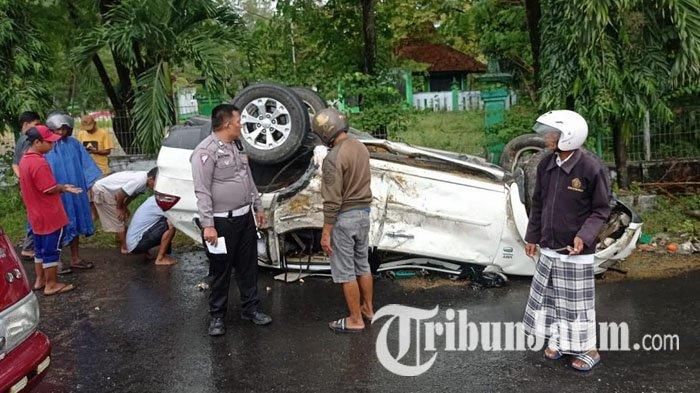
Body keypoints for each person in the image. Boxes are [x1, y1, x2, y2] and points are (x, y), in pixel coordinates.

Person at [522, 110, 611, 372]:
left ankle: (589, 349)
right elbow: (538, 203)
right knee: (553, 299)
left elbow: (601, 210)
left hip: (575, 250)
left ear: (570, 137)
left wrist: (584, 236)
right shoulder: (546, 164)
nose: (547, 138)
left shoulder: (591, 168)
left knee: (577, 304)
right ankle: (560, 341)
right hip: (550, 247)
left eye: (553, 133)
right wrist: (532, 236)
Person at [190, 103, 272, 337]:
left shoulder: (236, 145)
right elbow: (202, 191)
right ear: (227, 124)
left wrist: (257, 207)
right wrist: (208, 226)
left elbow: (248, 179)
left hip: (244, 218)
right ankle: (217, 316)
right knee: (221, 270)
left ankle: (251, 309)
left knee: (249, 267)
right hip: (221, 223)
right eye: (238, 122)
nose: (241, 126)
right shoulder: (205, 152)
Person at [312, 108, 374, 333]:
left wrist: (326, 232)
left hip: (345, 219)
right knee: (363, 265)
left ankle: (355, 320)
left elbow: (332, 201)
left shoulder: (333, 157)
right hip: (364, 214)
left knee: (345, 271)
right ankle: (368, 309)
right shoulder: (360, 146)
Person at [19, 125, 82, 295]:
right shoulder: (39, 163)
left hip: (36, 214)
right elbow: (48, 188)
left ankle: (40, 280)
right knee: (51, 250)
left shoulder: (25, 160)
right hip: (50, 215)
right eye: (49, 142)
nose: (52, 145)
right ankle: (52, 284)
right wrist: (63, 188)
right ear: (37, 142)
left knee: (39, 249)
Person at [45, 112, 102, 272]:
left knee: (74, 223)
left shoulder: (74, 144)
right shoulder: (47, 146)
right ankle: (55, 262)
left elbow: (87, 166)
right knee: (56, 225)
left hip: (75, 192)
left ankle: (75, 258)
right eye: (58, 129)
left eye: (64, 129)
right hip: (56, 193)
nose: (61, 132)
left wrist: (91, 184)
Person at [92, 168, 158, 253]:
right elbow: (120, 194)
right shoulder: (140, 180)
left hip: (110, 192)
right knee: (118, 218)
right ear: (151, 178)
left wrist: (124, 206)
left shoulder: (145, 179)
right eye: (156, 183)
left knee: (122, 217)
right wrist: (119, 208)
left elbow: (132, 195)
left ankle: (121, 241)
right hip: (102, 190)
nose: (156, 187)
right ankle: (125, 247)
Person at [12, 111, 41, 259]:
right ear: (26, 124)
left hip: (25, 184)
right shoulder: (27, 140)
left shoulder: (20, 139)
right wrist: (27, 181)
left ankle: (30, 246)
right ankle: (29, 247)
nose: (38, 127)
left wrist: (22, 180)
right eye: (36, 124)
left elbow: (15, 165)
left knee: (33, 215)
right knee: (35, 215)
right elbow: (21, 164)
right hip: (30, 185)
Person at [125, 196, 177, 265]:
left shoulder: (157, 197)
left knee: (166, 220)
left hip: (133, 243)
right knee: (171, 225)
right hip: (136, 244)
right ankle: (160, 259)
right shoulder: (163, 201)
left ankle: (153, 253)